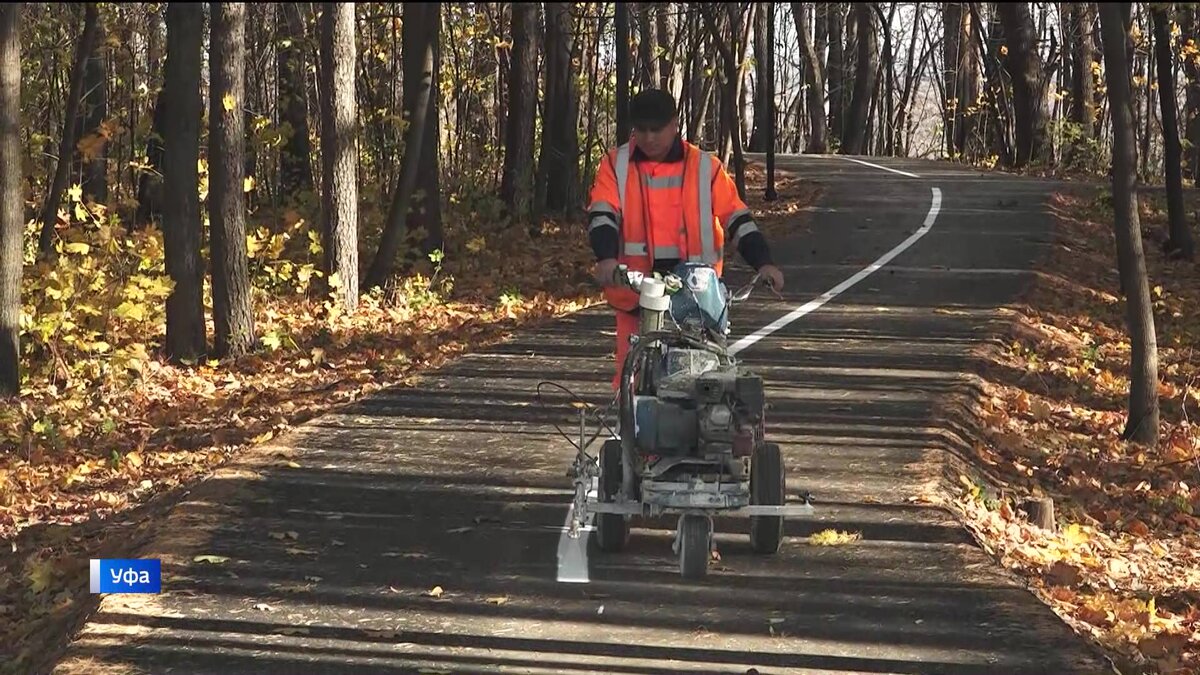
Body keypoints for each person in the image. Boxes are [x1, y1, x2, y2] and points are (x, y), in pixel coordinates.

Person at [586, 88, 784, 390]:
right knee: (631, 384)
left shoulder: (706, 168)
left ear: (674, 125)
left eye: (657, 129)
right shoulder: (615, 165)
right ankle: (631, 433)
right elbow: (602, 215)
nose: (649, 138)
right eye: (642, 130)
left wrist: (764, 264)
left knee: (705, 385)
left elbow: (737, 219)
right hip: (637, 299)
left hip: (697, 303)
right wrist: (607, 259)